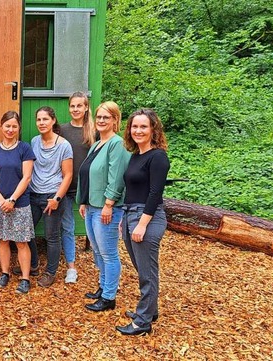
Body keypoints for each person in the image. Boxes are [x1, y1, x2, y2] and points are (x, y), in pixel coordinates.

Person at [116, 109, 170, 335]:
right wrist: (124, 218)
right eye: (134, 127)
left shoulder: (158, 157)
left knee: (147, 272)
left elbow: (155, 192)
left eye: (143, 127)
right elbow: (133, 189)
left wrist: (142, 224)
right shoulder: (136, 155)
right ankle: (151, 309)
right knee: (142, 268)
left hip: (147, 216)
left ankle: (143, 322)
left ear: (153, 130)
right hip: (131, 213)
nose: (138, 131)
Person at [78, 101, 131, 312]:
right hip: (92, 205)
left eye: (106, 117)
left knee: (108, 253)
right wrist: (83, 201)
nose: (101, 121)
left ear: (115, 120)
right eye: (99, 117)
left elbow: (116, 177)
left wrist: (109, 204)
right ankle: (102, 286)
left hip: (106, 207)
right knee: (98, 252)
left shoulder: (117, 144)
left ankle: (109, 297)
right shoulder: (96, 144)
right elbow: (89, 174)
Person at [0, 111, 36, 294]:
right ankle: (5, 273)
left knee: (21, 242)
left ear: (19, 128)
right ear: (1, 127)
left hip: (19, 203)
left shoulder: (24, 149)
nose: (10, 129)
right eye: (7, 126)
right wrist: (0, 199)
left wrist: (12, 199)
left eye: (14, 126)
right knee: (3, 239)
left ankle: (24, 278)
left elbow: (27, 176)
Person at [24, 106, 73, 288]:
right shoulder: (35, 141)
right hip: (34, 194)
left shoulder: (64, 145)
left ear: (53, 121)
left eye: (45, 119)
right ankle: (34, 264)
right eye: (39, 120)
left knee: (51, 237)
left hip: (53, 196)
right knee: (26, 231)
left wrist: (57, 199)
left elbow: (68, 175)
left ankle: (50, 272)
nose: (42, 123)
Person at [58, 91, 96, 282]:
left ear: (86, 107)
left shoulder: (93, 131)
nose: (75, 109)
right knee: (67, 227)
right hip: (65, 187)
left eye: (79, 106)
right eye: (72, 106)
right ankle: (71, 268)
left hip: (87, 188)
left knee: (94, 228)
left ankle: (102, 267)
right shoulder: (62, 130)